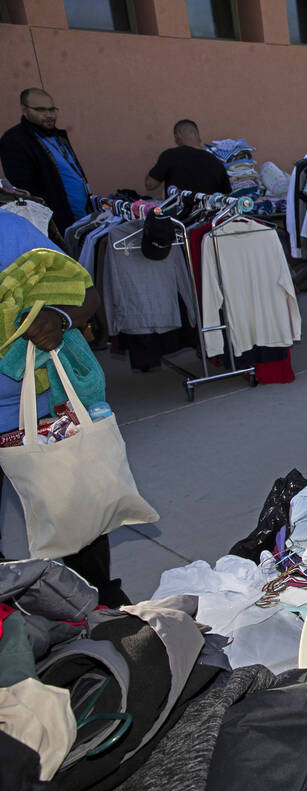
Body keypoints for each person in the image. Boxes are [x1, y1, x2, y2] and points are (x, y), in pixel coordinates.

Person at [0, 209, 127, 606]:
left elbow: (87, 295)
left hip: (42, 413)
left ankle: (105, 616)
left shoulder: (9, 229)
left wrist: (57, 318)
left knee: (81, 531)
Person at [0, 88, 90, 232]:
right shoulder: (15, 140)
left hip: (83, 220)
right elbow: (24, 190)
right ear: (24, 110)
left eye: (52, 109)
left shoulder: (57, 136)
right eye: (41, 110)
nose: (49, 115)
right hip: (55, 225)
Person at [145, 119, 231, 196]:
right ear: (197, 136)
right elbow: (226, 195)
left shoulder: (170, 155)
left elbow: (150, 184)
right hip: (208, 212)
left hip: (178, 212)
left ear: (178, 134)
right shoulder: (216, 161)